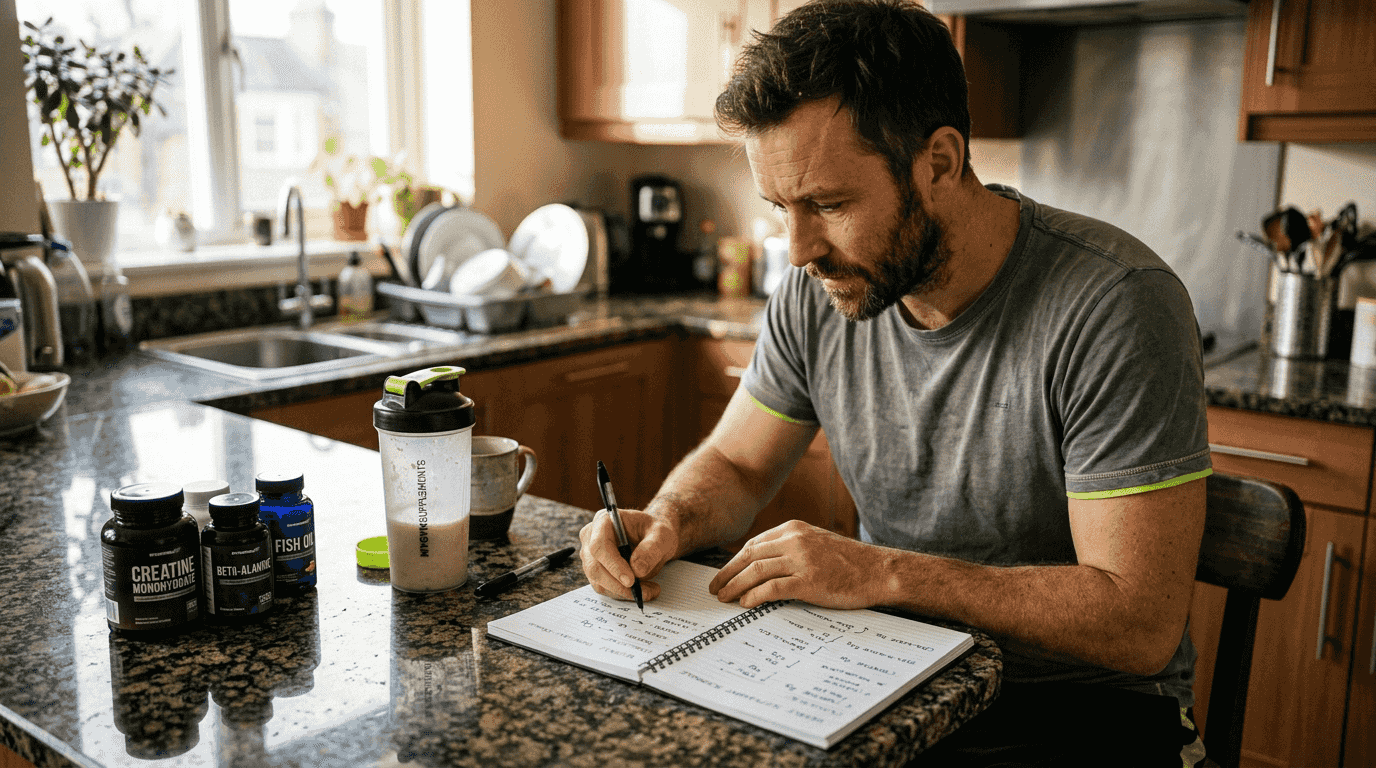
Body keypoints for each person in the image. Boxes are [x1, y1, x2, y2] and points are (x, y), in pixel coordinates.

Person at [578, 1, 1212, 765]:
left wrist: (878, 570)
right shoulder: (822, 289)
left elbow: (1139, 623)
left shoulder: (1115, 303)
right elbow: (740, 464)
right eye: (780, 208)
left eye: (830, 205)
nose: (798, 249)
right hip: (893, 680)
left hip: (1079, 715)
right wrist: (671, 519)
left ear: (940, 162)